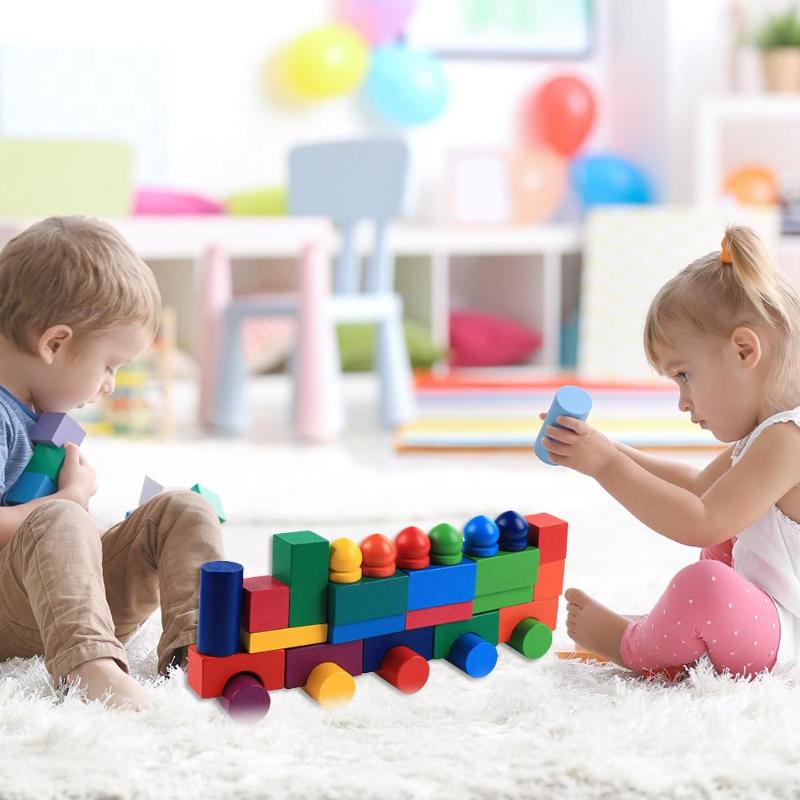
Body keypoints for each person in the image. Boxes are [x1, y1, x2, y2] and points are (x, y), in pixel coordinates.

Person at [541, 225, 800, 678]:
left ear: (744, 350)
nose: (682, 401)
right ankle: (674, 634)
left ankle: (630, 646)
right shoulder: (769, 432)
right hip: (769, 615)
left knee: (705, 586)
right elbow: (701, 486)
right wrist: (603, 447)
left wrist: (606, 465)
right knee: (723, 552)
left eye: (684, 375)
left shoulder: (788, 438)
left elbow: (700, 521)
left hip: (788, 634)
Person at [0, 217, 225, 710]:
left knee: (182, 508)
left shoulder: (36, 409)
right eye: (109, 366)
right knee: (59, 517)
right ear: (54, 344)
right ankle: (91, 672)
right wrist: (69, 500)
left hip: (68, 602)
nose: (110, 386)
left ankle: (198, 649)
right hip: (11, 614)